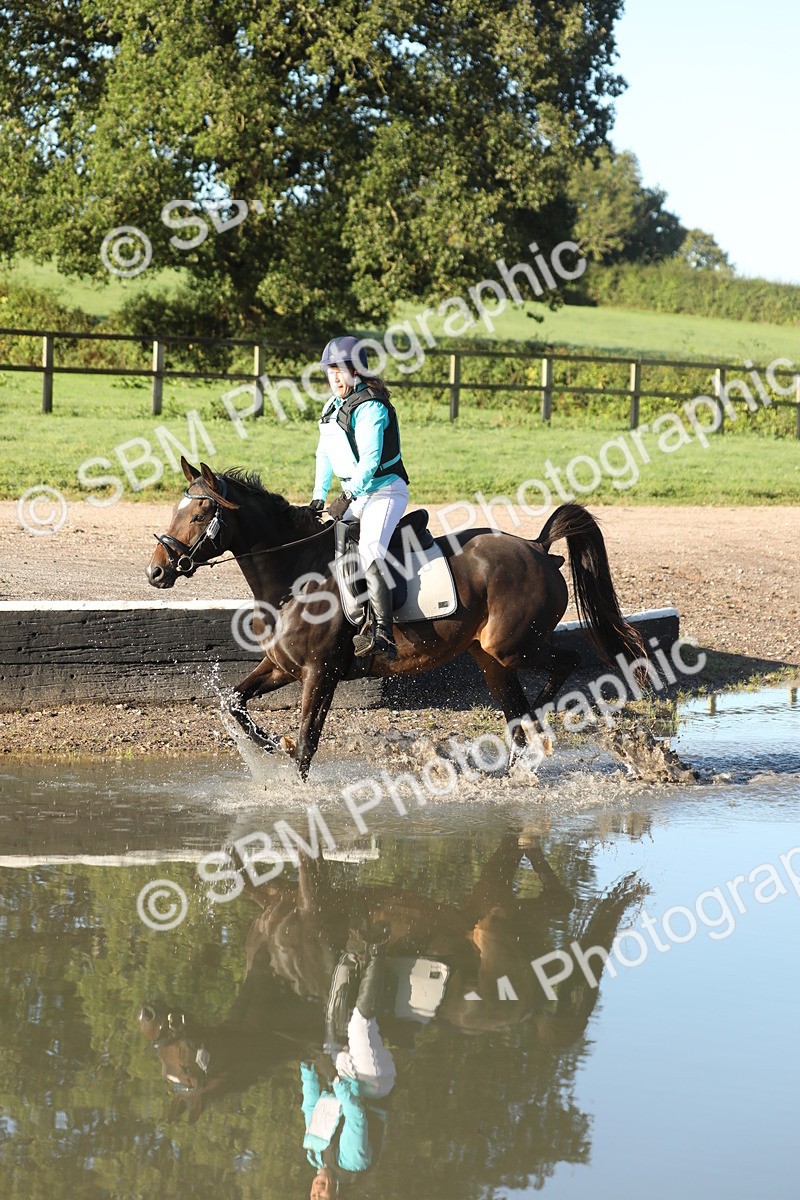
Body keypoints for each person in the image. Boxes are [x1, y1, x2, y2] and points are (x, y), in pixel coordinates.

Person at [310, 335, 410, 662]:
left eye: (340, 369)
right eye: (330, 371)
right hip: (359, 492)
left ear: (356, 370)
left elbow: (369, 461)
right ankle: (351, 613)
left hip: (384, 490)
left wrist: (347, 495)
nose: (334, 377)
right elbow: (325, 453)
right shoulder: (331, 407)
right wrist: (317, 497)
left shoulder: (371, 407)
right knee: (332, 537)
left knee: (369, 548)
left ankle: (384, 632)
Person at [300, 929, 396, 1196]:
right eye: (323, 1199)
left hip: (342, 1078)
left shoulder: (315, 1153)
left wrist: (307, 1067)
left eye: (312, 1198)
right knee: (358, 1026)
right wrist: (332, 1078)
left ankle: (353, 953)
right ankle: (378, 948)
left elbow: (311, 1106)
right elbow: (356, 1116)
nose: (317, 1194)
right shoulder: (353, 1165)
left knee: (330, 1022)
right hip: (371, 1087)